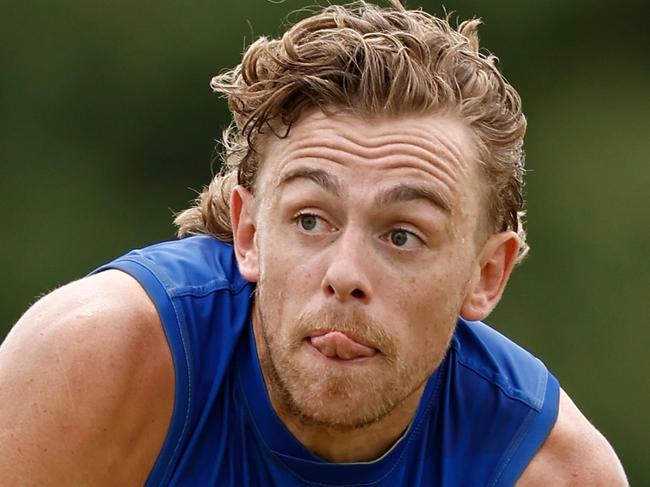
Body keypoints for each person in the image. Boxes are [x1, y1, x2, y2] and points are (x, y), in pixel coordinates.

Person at [0, 1, 627, 485]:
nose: (345, 272)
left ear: (487, 274)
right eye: (309, 221)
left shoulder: (548, 471)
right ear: (248, 233)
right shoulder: (95, 362)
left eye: (403, 235)